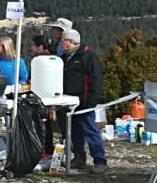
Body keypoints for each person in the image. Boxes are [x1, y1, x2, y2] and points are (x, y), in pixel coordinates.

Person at [60, 29, 107, 173]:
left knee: (90, 130)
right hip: (69, 101)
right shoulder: (64, 58)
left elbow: (95, 79)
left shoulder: (87, 56)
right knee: (74, 132)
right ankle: (79, 158)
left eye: (63, 41)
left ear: (70, 41)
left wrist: (91, 101)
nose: (61, 43)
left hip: (84, 101)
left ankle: (100, 161)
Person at [29, 34, 56, 156]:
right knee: (46, 126)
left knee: (42, 125)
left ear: (40, 47)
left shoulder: (40, 61)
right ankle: (47, 149)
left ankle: (44, 149)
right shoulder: (54, 58)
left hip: (42, 97)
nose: (31, 48)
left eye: (33, 45)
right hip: (50, 97)